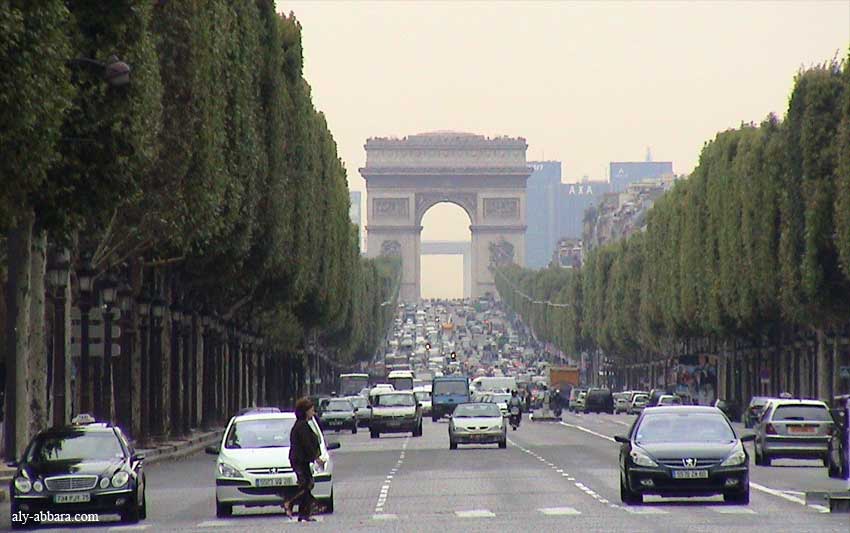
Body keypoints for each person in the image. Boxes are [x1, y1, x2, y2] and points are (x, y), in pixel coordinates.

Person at [283, 397, 325, 522]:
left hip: (301, 459)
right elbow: (306, 445)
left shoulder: (303, 424)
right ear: (306, 411)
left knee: (307, 484)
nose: (314, 412)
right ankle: (289, 502)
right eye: (312, 410)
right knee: (306, 485)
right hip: (299, 459)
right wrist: (316, 458)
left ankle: (304, 513)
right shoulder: (301, 426)